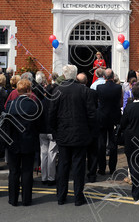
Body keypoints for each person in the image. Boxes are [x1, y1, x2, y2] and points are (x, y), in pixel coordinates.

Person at [49, 65, 96, 206]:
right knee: (78, 166)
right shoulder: (84, 90)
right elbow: (92, 114)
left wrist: (55, 132)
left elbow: (51, 114)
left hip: (63, 135)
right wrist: (91, 131)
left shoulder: (57, 90)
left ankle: (61, 196)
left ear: (64, 75)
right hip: (80, 135)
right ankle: (78, 197)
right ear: (75, 76)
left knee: (63, 165)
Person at [6, 79, 41, 206]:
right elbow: (38, 125)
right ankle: (26, 199)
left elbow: (6, 126)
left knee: (14, 172)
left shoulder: (10, 105)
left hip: (13, 143)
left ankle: (13, 199)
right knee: (27, 172)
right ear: (28, 90)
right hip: (29, 142)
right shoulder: (34, 106)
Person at [96, 69, 122, 176]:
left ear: (105, 77)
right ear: (113, 76)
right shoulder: (118, 87)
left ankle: (101, 168)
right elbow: (120, 102)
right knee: (113, 144)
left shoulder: (99, 87)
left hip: (102, 117)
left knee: (101, 144)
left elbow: (98, 101)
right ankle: (112, 168)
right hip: (114, 118)